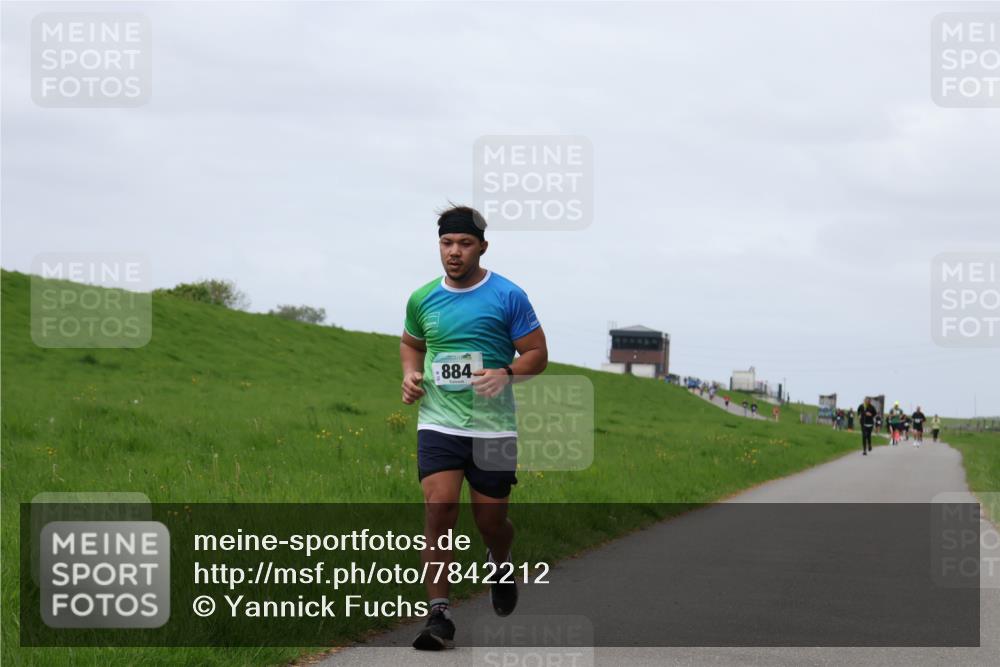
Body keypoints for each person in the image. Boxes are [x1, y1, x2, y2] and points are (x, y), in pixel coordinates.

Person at [400, 205, 548, 650]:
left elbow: (537, 353)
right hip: (439, 423)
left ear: (482, 246)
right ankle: (438, 615)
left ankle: (499, 560)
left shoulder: (508, 296)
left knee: (491, 520)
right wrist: (409, 374)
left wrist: (505, 373)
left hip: (494, 427)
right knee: (439, 510)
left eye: (464, 243)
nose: (454, 252)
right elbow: (411, 343)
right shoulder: (422, 298)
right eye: (447, 243)